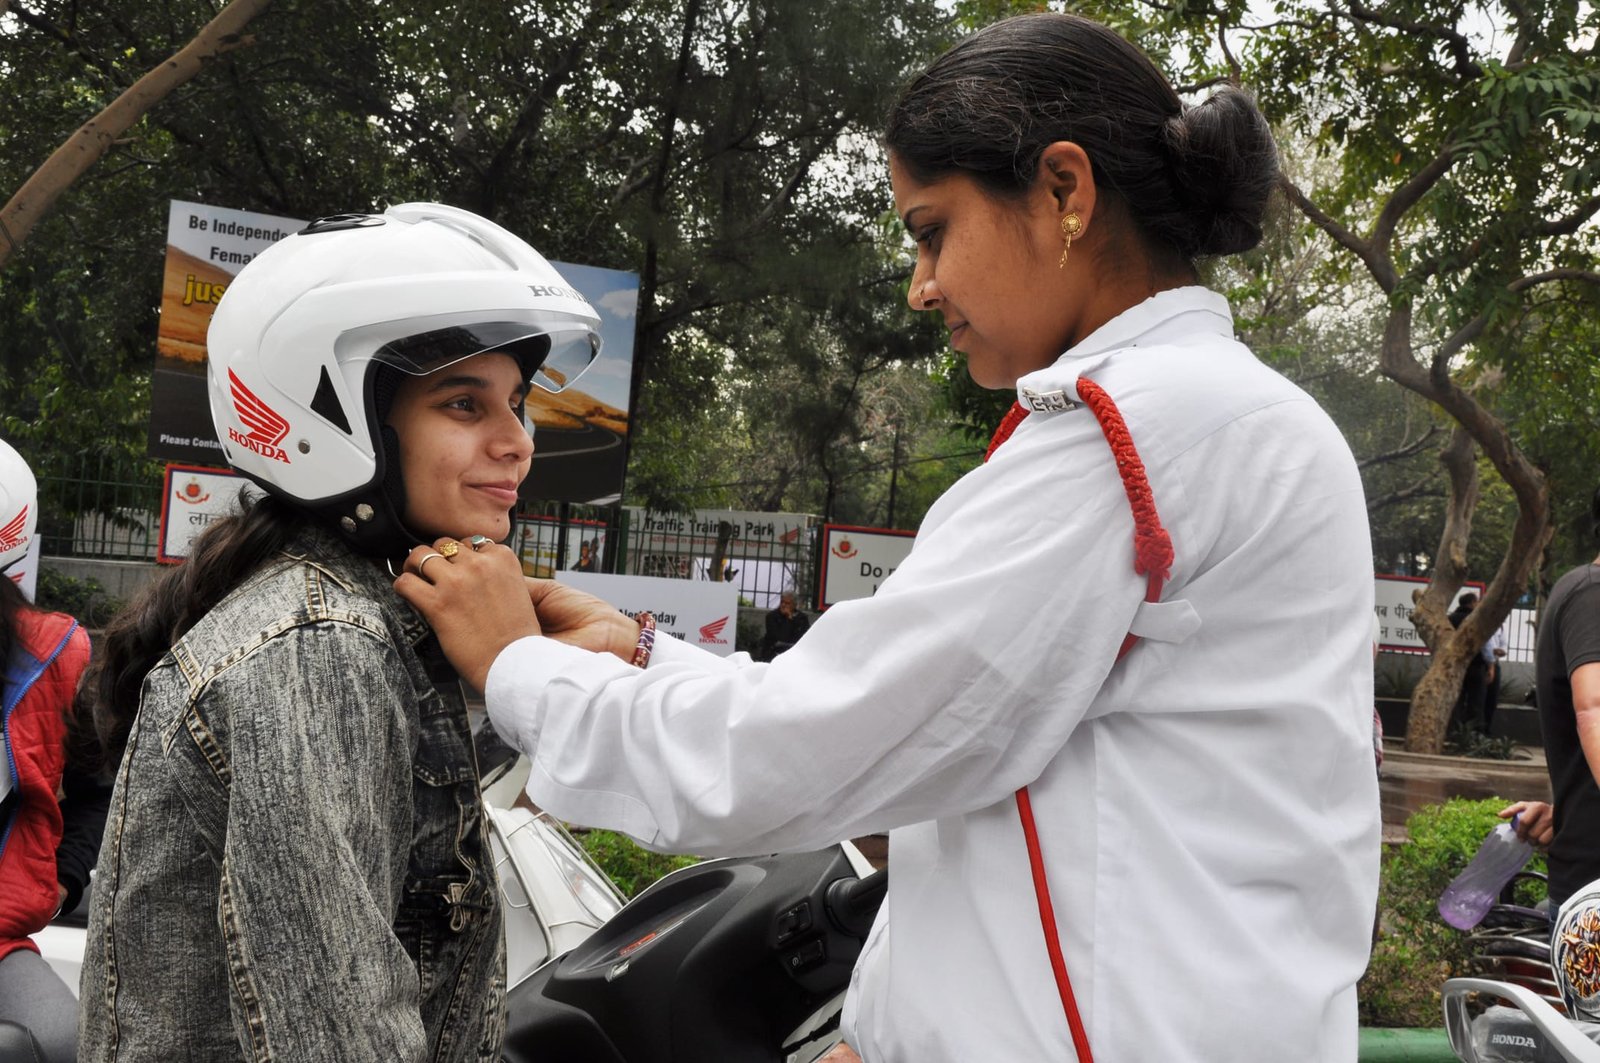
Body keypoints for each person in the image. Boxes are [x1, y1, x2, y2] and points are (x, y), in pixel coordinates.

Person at [397, 14, 1380, 1060]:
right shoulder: (1219, 414)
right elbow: (965, 757)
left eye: (931, 230)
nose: (923, 286)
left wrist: (516, 668)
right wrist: (643, 655)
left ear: (1063, 192)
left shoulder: (1133, 431)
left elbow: (810, 751)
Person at [76, 203, 601, 1062]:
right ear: (335, 420)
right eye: (466, 403)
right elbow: (338, 1035)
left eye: (518, 403)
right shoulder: (316, 648)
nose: (517, 442)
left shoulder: (349, 618)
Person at [0, 439, 103, 1063]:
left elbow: (97, 792)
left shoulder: (56, 658)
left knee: (65, 1041)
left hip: (1, 943)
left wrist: (61, 881)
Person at [1450, 592, 1492, 731]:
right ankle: (1474, 735)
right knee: (1476, 703)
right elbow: (1486, 645)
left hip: (1454, 666)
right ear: (1473, 603)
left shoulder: (1450, 619)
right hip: (1476, 666)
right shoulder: (1477, 619)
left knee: (1457, 701)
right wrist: (1490, 666)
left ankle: (1456, 732)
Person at [759, 589, 809, 661]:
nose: (783, 605)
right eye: (782, 602)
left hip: (793, 653)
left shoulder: (802, 618)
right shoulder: (771, 616)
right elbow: (780, 637)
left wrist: (791, 619)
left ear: (794, 605)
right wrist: (788, 619)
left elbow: (800, 638)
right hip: (773, 653)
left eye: (787, 603)